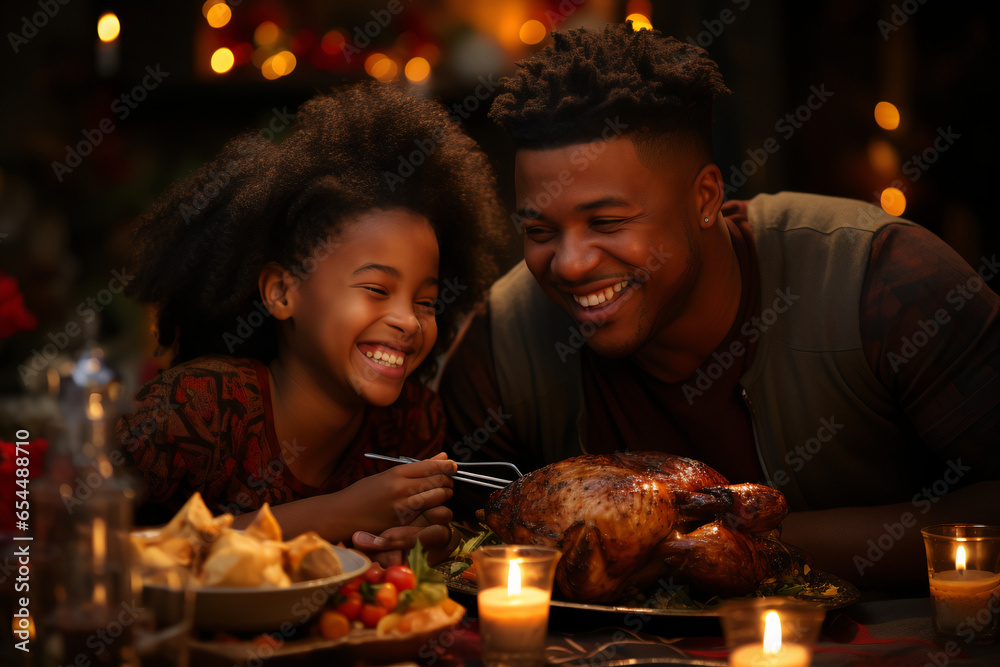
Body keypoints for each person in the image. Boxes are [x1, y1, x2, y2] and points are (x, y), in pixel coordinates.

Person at [439, 23, 1000, 589]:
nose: (569, 264)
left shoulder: (880, 279)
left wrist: (736, 552)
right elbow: (455, 542)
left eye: (606, 223)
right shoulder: (502, 341)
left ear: (706, 197)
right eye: (539, 230)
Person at [116, 82, 506, 564]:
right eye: (377, 290)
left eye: (426, 302)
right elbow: (79, 542)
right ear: (283, 292)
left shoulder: (412, 422)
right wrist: (337, 513)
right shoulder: (198, 409)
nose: (408, 320)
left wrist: (432, 545)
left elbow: (407, 570)